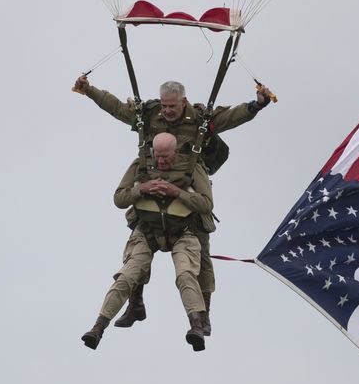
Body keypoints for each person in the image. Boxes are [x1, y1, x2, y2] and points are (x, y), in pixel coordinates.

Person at [73, 76, 271, 335]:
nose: (167, 111)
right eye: (164, 106)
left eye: (172, 107)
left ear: (184, 102)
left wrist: (256, 105)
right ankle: (135, 304)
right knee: (137, 253)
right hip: (153, 185)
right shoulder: (150, 115)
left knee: (200, 256)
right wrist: (89, 91)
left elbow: (229, 118)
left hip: (188, 185)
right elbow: (119, 109)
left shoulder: (199, 119)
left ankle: (203, 316)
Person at [83, 133, 213, 352]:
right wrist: (141, 189)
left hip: (183, 230)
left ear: (175, 152)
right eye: (158, 156)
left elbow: (206, 204)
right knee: (127, 275)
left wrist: (177, 192)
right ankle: (98, 328)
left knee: (185, 274)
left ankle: (197, 326)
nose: (161, 161)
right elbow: (119, 199)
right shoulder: (141, 165)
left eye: (166, 157)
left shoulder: (192, 166)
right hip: (147, 230)